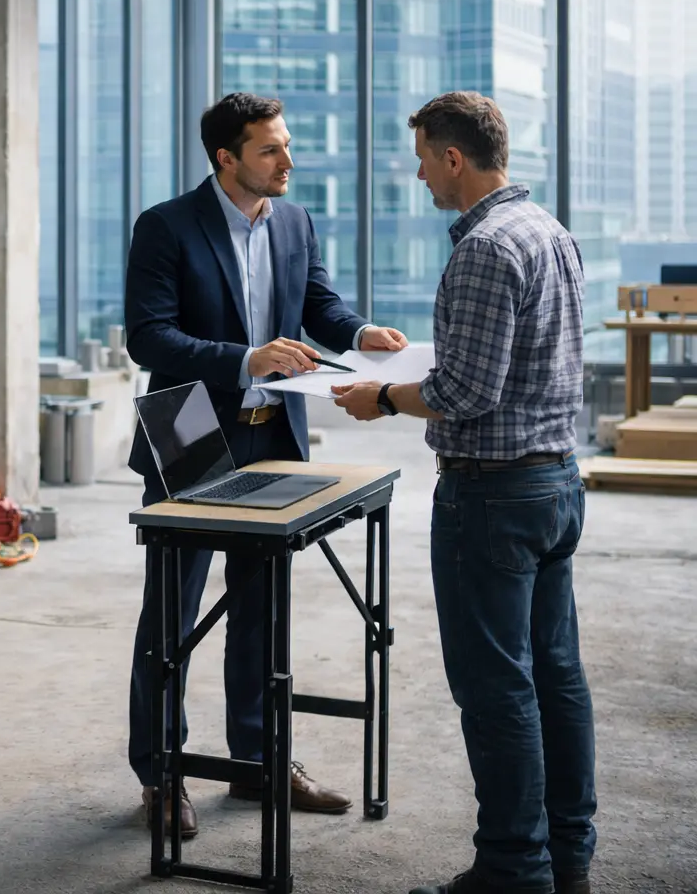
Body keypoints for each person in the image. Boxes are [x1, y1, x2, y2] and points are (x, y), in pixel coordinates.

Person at [124, 92, 409, 836]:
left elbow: (317, 302)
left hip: (272, 430)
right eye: (270, 150)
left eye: (286, 145)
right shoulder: (165, 227)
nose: (288, 161)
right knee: (172, 615)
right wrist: (246, 358)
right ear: (227, 158)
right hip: (188, 431)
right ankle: (161, 776)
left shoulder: (293, 220)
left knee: (261, 609)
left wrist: (362, 331)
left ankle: (257, 762)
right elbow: (149, 340)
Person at [333, 92, 594, 894]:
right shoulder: (551, 232)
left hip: (492, 498)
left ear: (454, 158)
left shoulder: (483, 248)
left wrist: (382, 397)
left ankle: (515, 870)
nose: (417, 175)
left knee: (496, 688)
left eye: (421, 159)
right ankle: (567, 856)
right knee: (555, 674)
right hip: (554, 485)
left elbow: (467, 391)